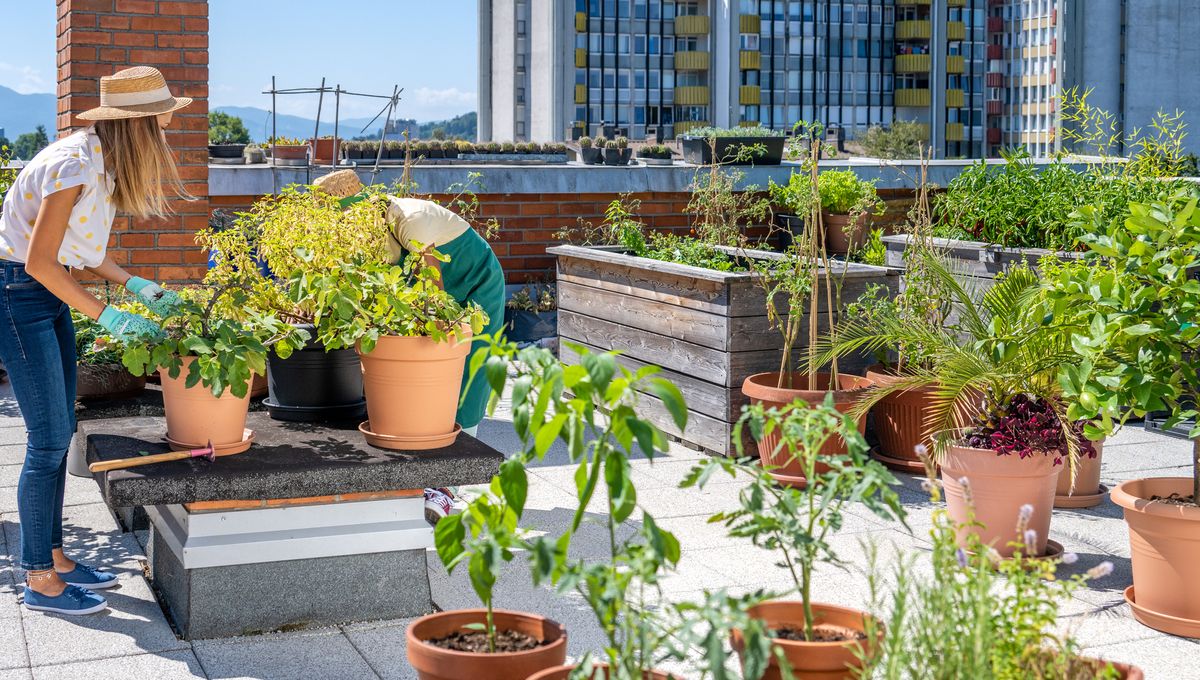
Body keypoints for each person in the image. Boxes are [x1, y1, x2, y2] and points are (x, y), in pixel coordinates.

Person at [0, 66, 192, 615]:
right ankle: (40, 579)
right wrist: (109, 317)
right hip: (17, 294)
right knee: (46, 441)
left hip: (39, 293)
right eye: (159, 121)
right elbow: (38, 260)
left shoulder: (100, 162)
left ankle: (55, 556)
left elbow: (75, 250)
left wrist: (133, 283)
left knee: (58, 436)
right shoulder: (73, 163)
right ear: (137, 125)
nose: (164, 131)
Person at [312, 170, 506, 523]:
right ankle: (418, 475)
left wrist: (419, 332)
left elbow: (432, 291)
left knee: (466, 375)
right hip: (435, 293)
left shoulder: (409, 220)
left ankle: (448, 488)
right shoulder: (367, 232)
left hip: (477, 284)